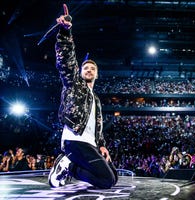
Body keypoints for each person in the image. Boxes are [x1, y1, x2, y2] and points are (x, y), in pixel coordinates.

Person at [48, 4, 118, 189]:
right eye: (85, 67)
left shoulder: (96, 99)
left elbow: (98, 127)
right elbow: (66, 60)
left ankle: (71, 166)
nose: (89, 69)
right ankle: (69, 167)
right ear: (80, 72)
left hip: (91, 144)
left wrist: (102, 145)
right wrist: (64, 33)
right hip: (75, 140)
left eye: (92, 68)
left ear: (97, 74)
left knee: (114, 177)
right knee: (107, 181)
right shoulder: (74, 83)